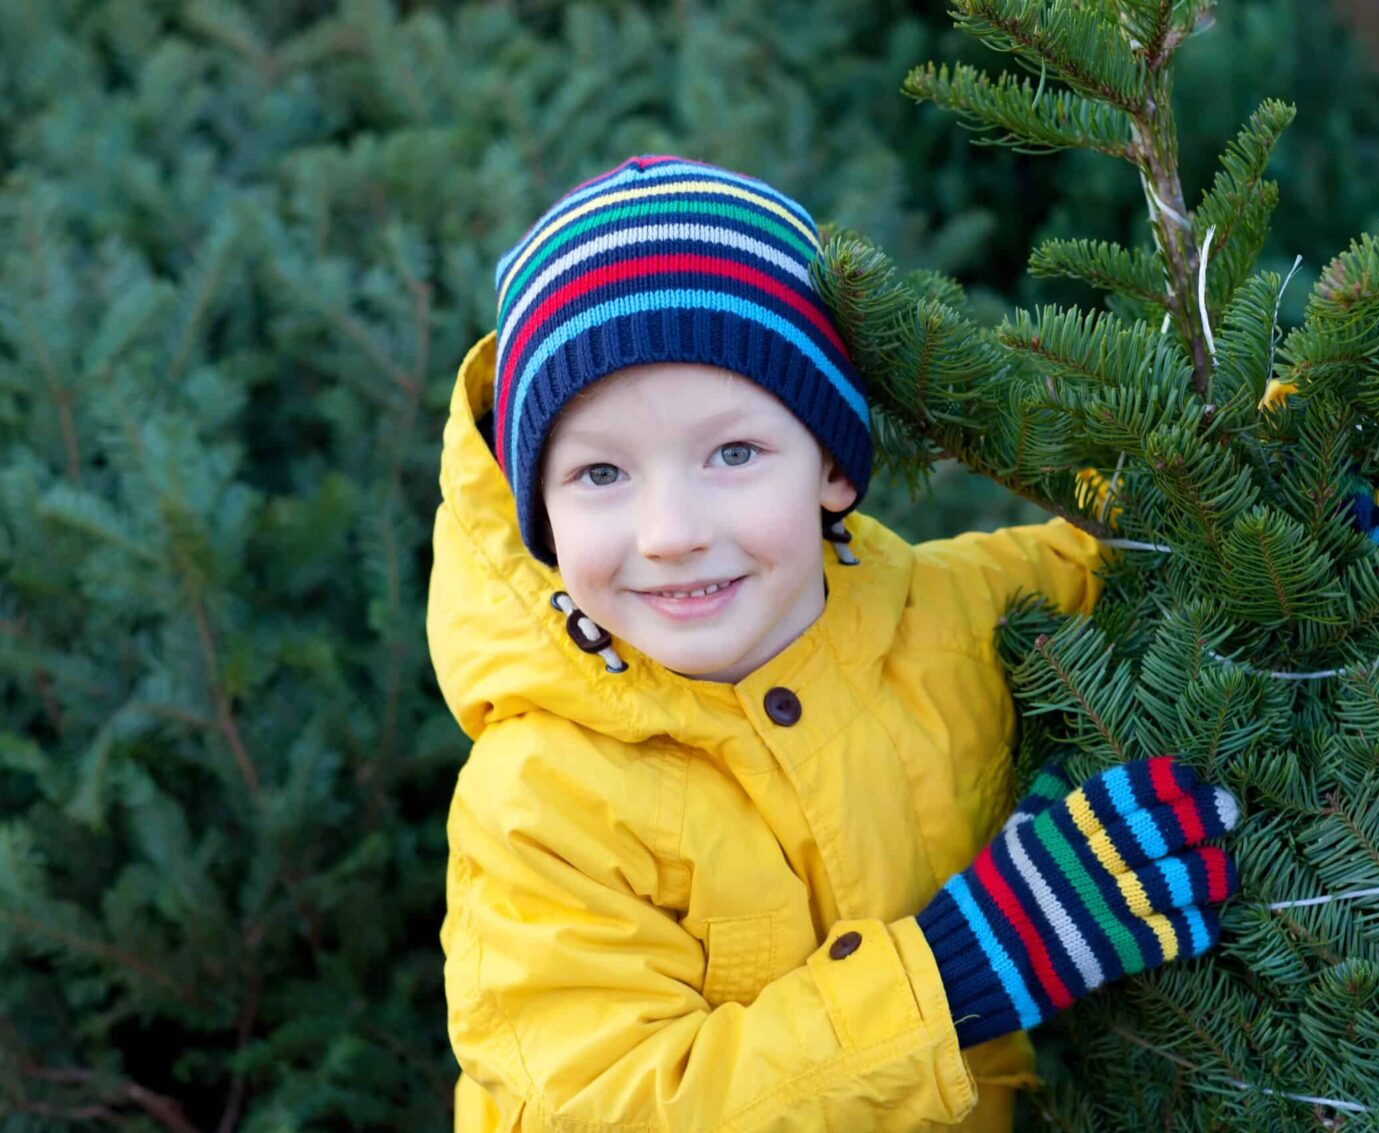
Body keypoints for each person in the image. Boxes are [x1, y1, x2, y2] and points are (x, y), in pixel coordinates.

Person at [426, 154, 1242, 1133]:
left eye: (732, 453)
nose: (668, 530)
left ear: (829, 467)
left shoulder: (953, 614)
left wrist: (1330, 480)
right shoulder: (539, 800)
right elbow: (608, 1106)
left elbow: (1151, 544)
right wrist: (962, 973)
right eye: (600, 472)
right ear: (543, 518)